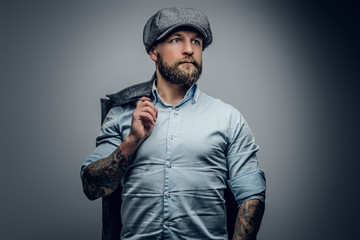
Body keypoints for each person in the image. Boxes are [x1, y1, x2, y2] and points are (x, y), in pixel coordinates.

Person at [81, 7, 266, 240]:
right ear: (153, 51)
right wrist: (132, 141)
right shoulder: (121, 114)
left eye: (196, 42)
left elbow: (252, 195)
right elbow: (91, 188)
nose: (189, 50)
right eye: (176, 40)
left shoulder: (228, 118)